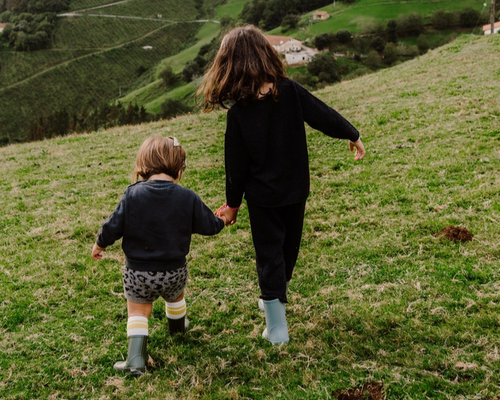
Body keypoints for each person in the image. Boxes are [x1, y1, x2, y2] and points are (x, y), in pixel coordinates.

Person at [198, 25, 366, 345]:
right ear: (266, 56)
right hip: (293, 191)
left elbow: (235, 169)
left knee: (274, 257)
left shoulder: (242, 113)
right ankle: (276, 321)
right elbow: (324, 115)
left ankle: (274, 306)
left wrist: (232, 206)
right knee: (283, 254)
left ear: (229, 66)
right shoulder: (288, 92)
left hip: (265, 198)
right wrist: (352, 134)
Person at [91, 136, 227, 375]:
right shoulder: (188, 197)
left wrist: (100, 244)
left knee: (138, 312)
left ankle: (135, 360)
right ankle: (177, 329)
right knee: (175, 297)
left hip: (138, 274)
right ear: (178, 169)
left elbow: (113, 226)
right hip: (175, 272)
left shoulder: (132, 195)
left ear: (143, 166)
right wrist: (224, 217)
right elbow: (210, 226)